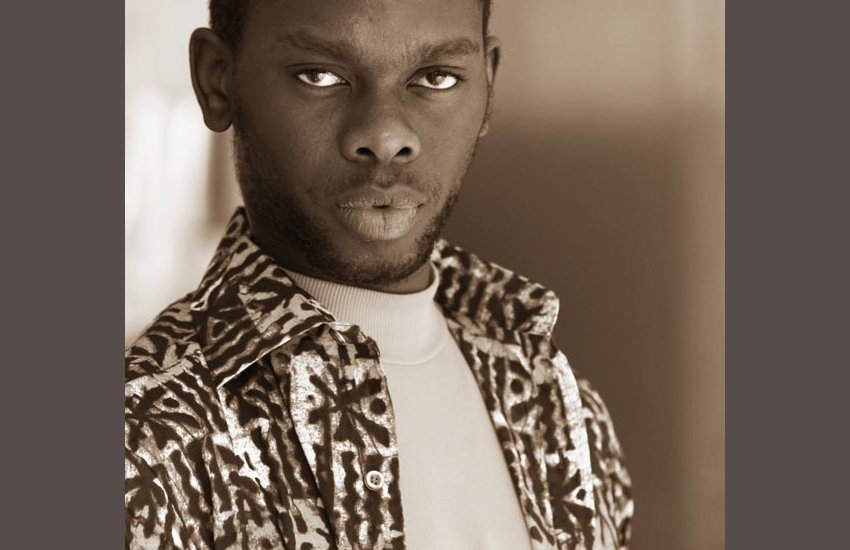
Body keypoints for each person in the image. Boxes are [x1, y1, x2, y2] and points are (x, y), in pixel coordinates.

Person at [124, 0, 633, 548]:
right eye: (320, 76)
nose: (386, 136)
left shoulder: (559, 405)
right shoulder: (146, 439)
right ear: (217, 80)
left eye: (436, 78)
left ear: (488, 85)